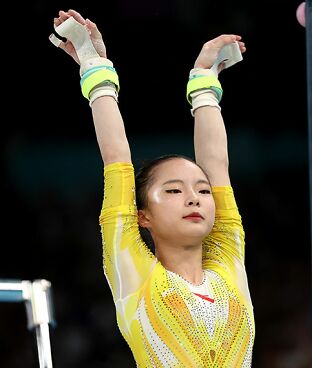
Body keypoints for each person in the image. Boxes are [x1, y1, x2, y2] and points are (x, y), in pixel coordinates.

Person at [51, 9, 254, 367]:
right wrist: (95, 68)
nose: (194, 197)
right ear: (142, 216)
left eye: (202, 191)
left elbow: (217, 166)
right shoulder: (137, 277)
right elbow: (116, 157)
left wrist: (204, 81)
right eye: (173, 191)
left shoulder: (228, 265)